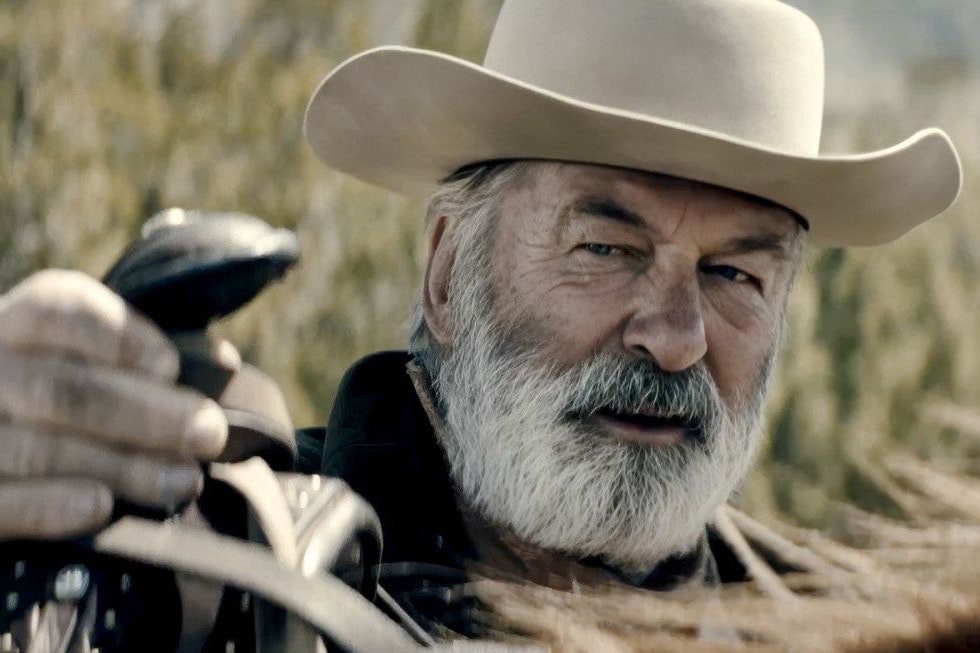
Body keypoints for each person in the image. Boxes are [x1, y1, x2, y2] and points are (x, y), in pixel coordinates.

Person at [0, 0, 962, 639]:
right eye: (605, 248)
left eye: (735, 275)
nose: (676, 338)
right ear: (447, 271)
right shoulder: (223, 570)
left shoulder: (827, 627)